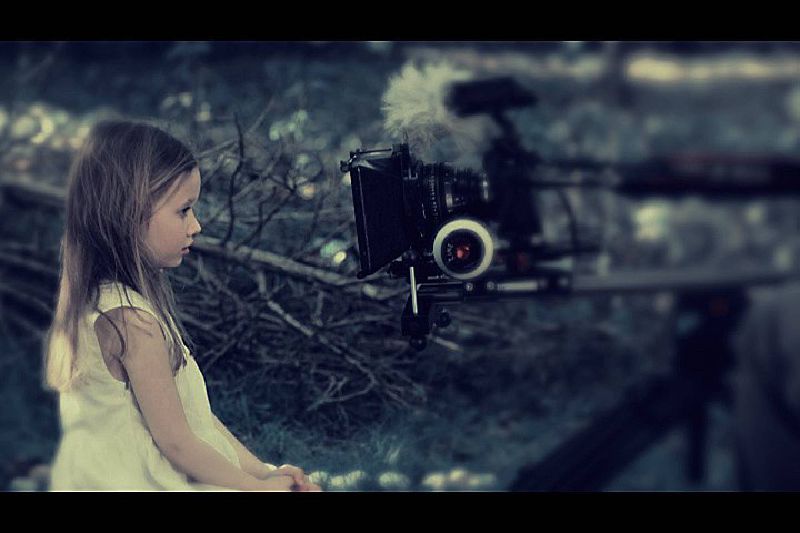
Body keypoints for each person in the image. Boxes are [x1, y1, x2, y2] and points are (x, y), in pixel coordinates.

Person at [43, 119, 321, 491]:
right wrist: (260, 489)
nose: (196, 225)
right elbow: (178, 444)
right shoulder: (130, 321)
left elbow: (197, 423)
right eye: (184, 210)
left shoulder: (110, 303)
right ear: (129, 214)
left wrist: (261, 473)